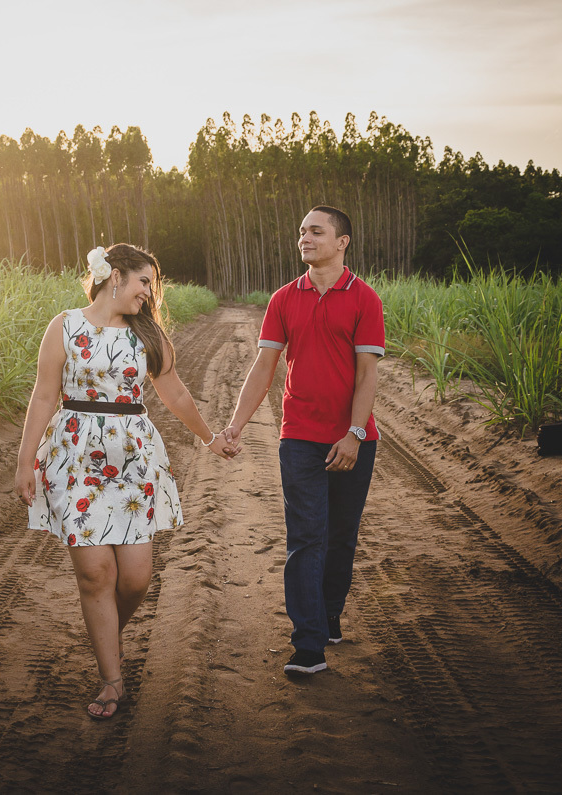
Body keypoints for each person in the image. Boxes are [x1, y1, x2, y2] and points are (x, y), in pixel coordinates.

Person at [15, 243, 235, 719]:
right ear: (115, 276)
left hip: (133, 460)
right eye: (143, 283)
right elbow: (44, 395)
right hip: (74, 458)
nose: (148, 294)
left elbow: (173, 391)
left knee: (135, 580)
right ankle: (112, 679)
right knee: (96, 574)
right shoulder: (65, 326)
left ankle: (106, 636)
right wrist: (24, 461)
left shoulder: (147, 334)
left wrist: (209, 437)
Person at [222, 205, 385, 676]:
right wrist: (236, 424)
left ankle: (329, 609)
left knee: (340, 539)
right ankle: (309, 644)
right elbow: (263, 367)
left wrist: (354, 436)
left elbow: (367, 374)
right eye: (301, 232)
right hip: (298, 437)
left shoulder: (364, 299)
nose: (305, 239)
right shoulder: (283, 299)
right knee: (306, 537)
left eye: (316, 231)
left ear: (342, 242)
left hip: (353, 438)